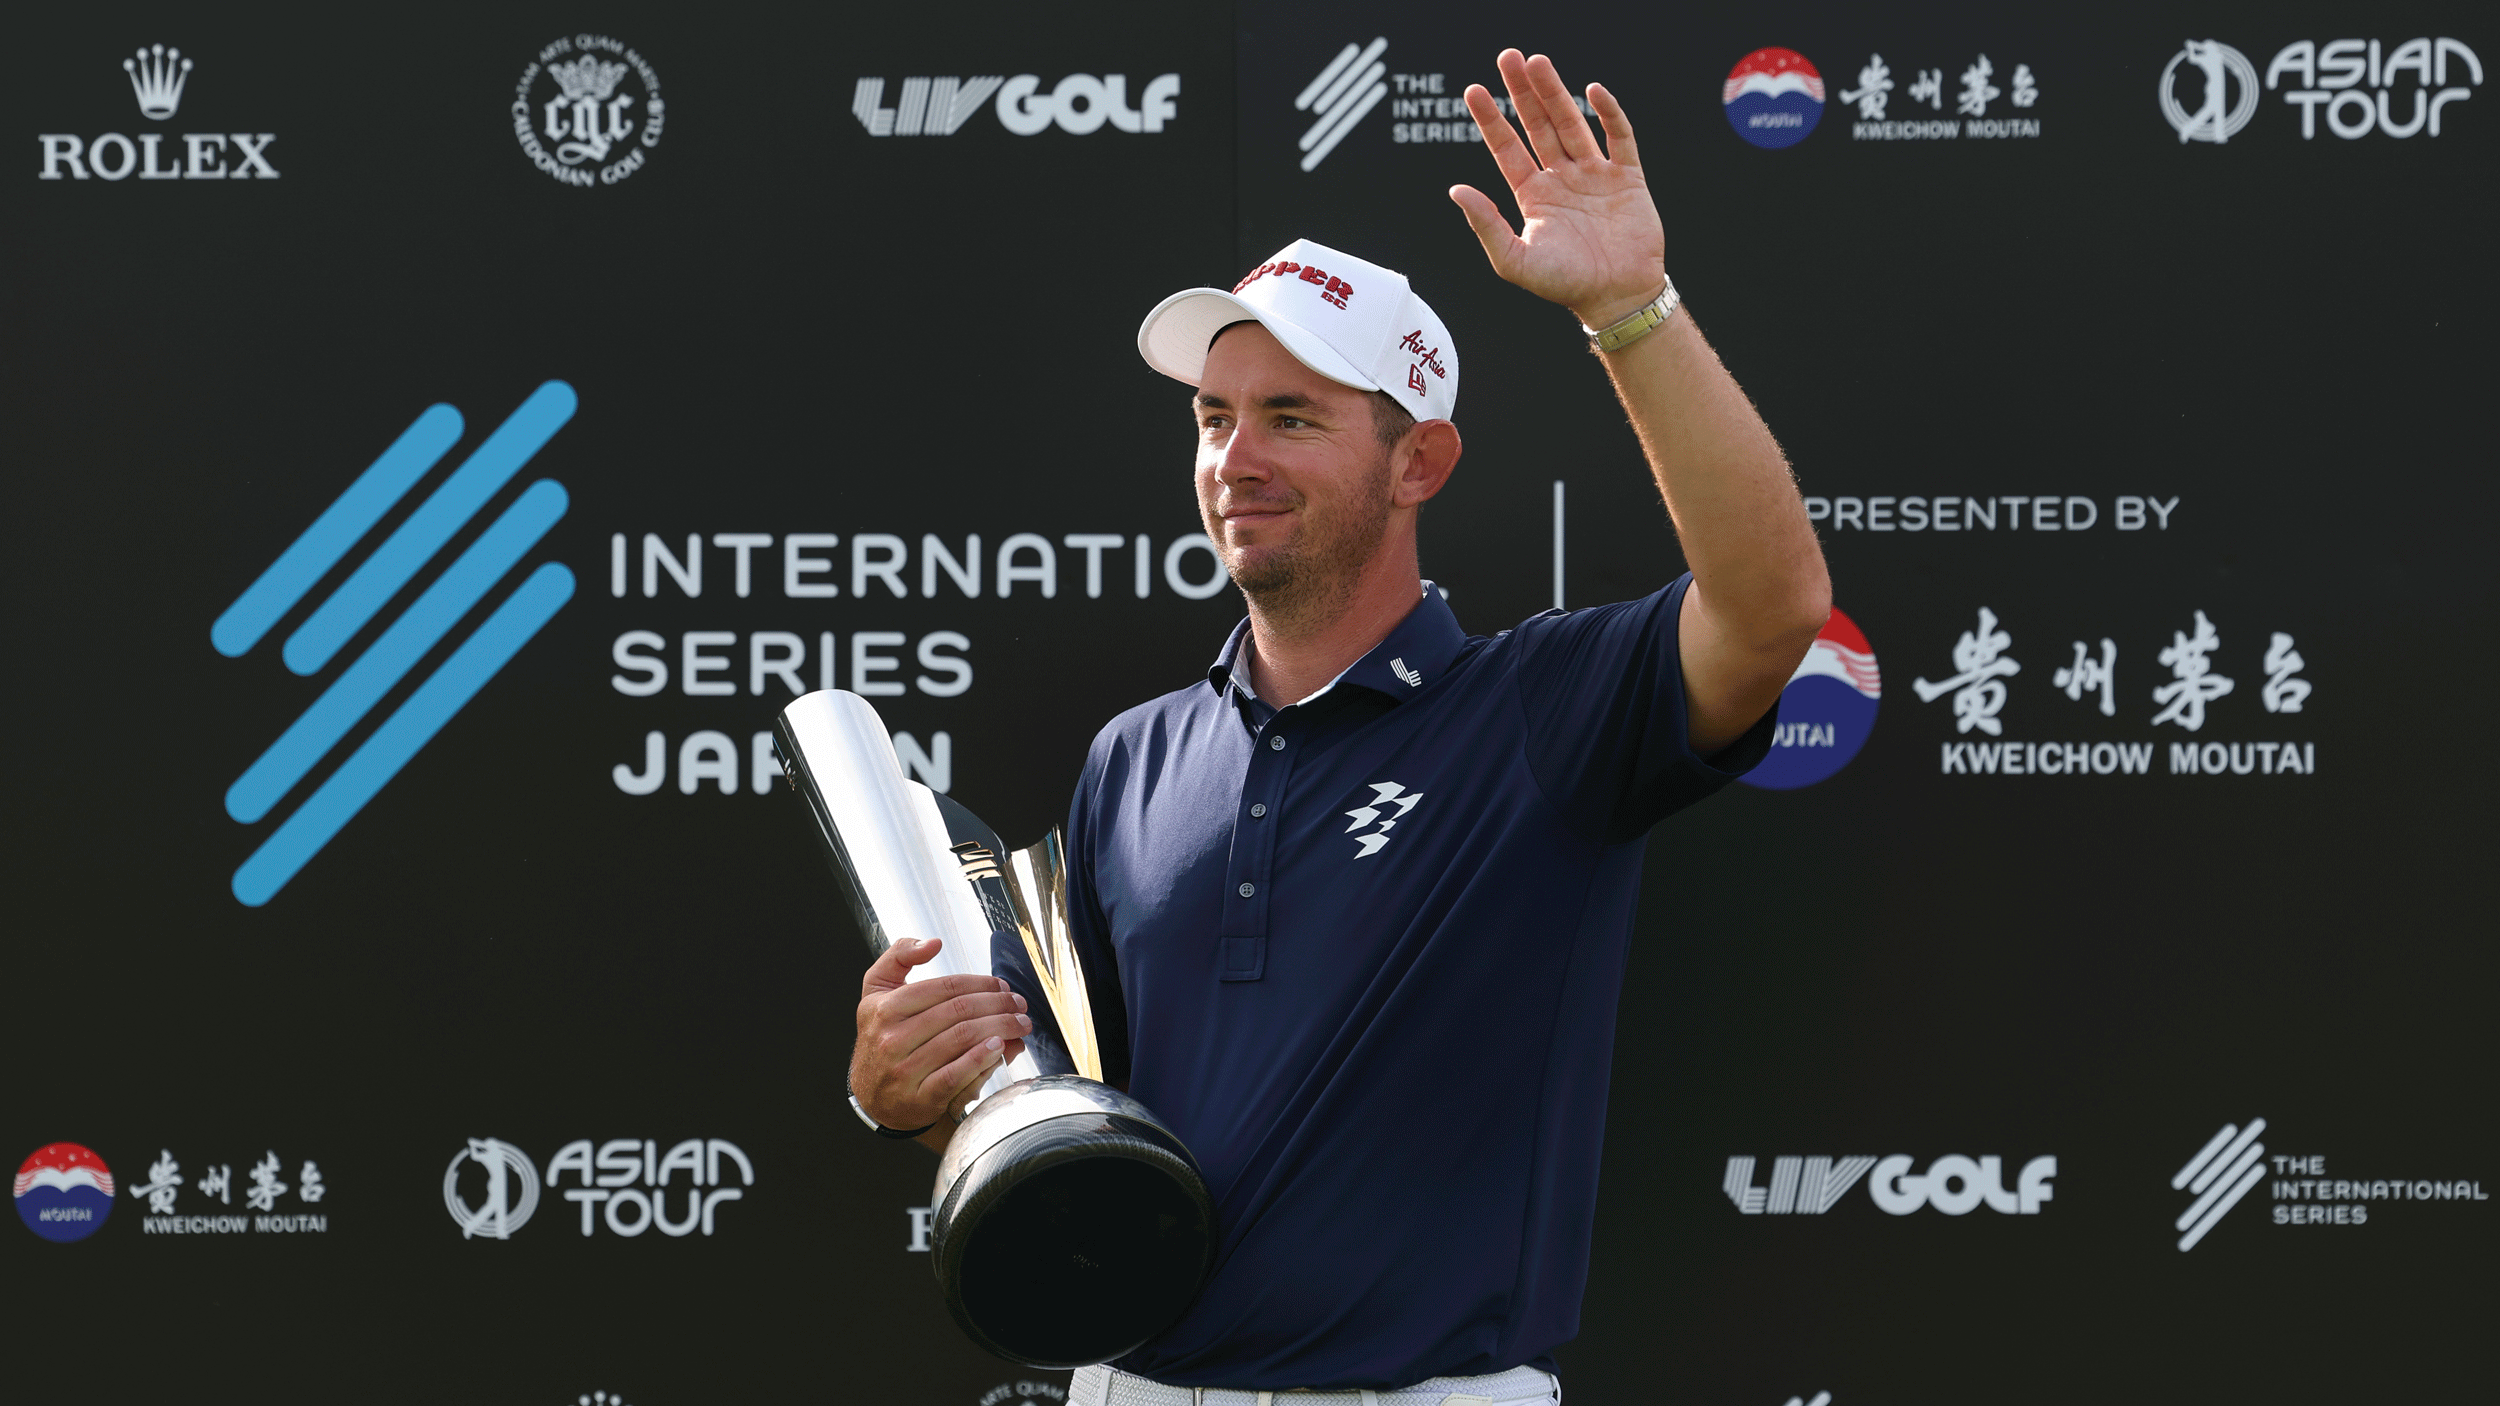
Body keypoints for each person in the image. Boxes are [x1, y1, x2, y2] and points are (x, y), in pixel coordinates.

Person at [844, 49, 1831, 1404]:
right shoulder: (1135, 757)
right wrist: (916, 1093)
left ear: (1416, 460)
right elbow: (1067, 1116)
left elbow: (1774, 609)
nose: (1233, 459)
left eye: (1291, 418)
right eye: (1213, 417)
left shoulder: (1541, 711)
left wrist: (1629, 308)